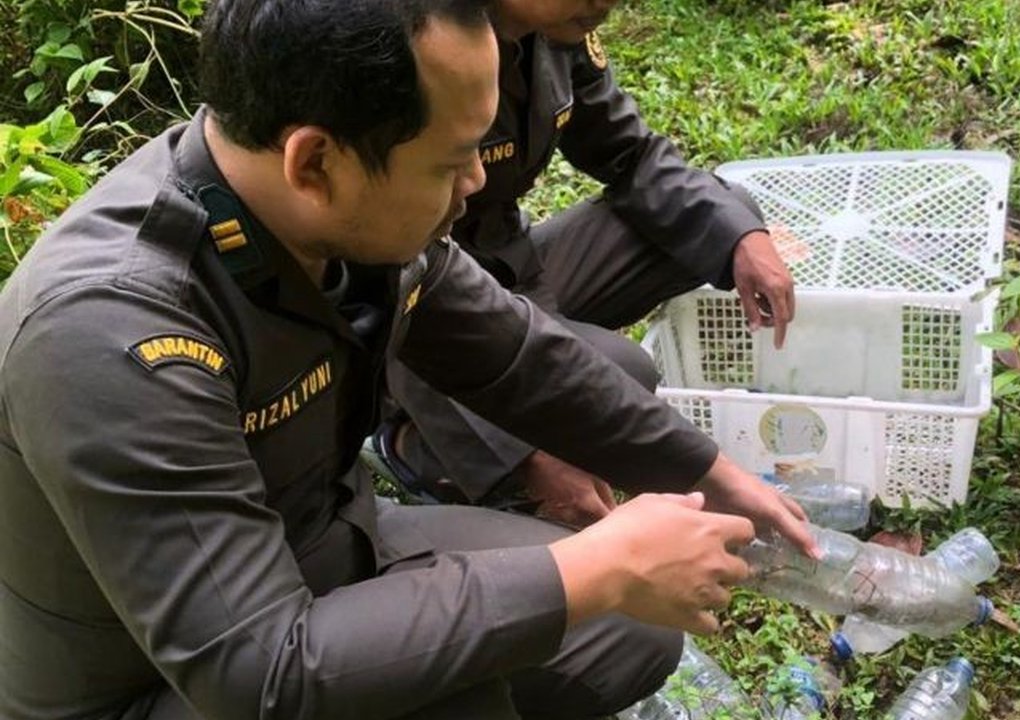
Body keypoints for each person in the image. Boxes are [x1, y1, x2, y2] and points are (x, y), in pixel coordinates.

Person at [0, 1, 815, 719]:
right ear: (314, 162)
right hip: (162, 683)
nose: (474, 184)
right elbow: (260, 673)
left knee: (623, 631)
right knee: (469, 683)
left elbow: (520, 357)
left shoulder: (352, 221)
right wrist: (596, 566)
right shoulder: (111, 331)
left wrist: (708, 470)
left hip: (324, 550)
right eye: (449, 159)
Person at [373, 0, 798, 527]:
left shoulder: (552, 34)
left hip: (509, 260)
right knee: (620, 374)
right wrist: (526, 456)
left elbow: (630, 153)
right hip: (409, 307)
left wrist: (740, 238)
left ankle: (544, 360)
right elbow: (388, 273)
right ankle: (415, 441)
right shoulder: (411, 42)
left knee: (722, 215)